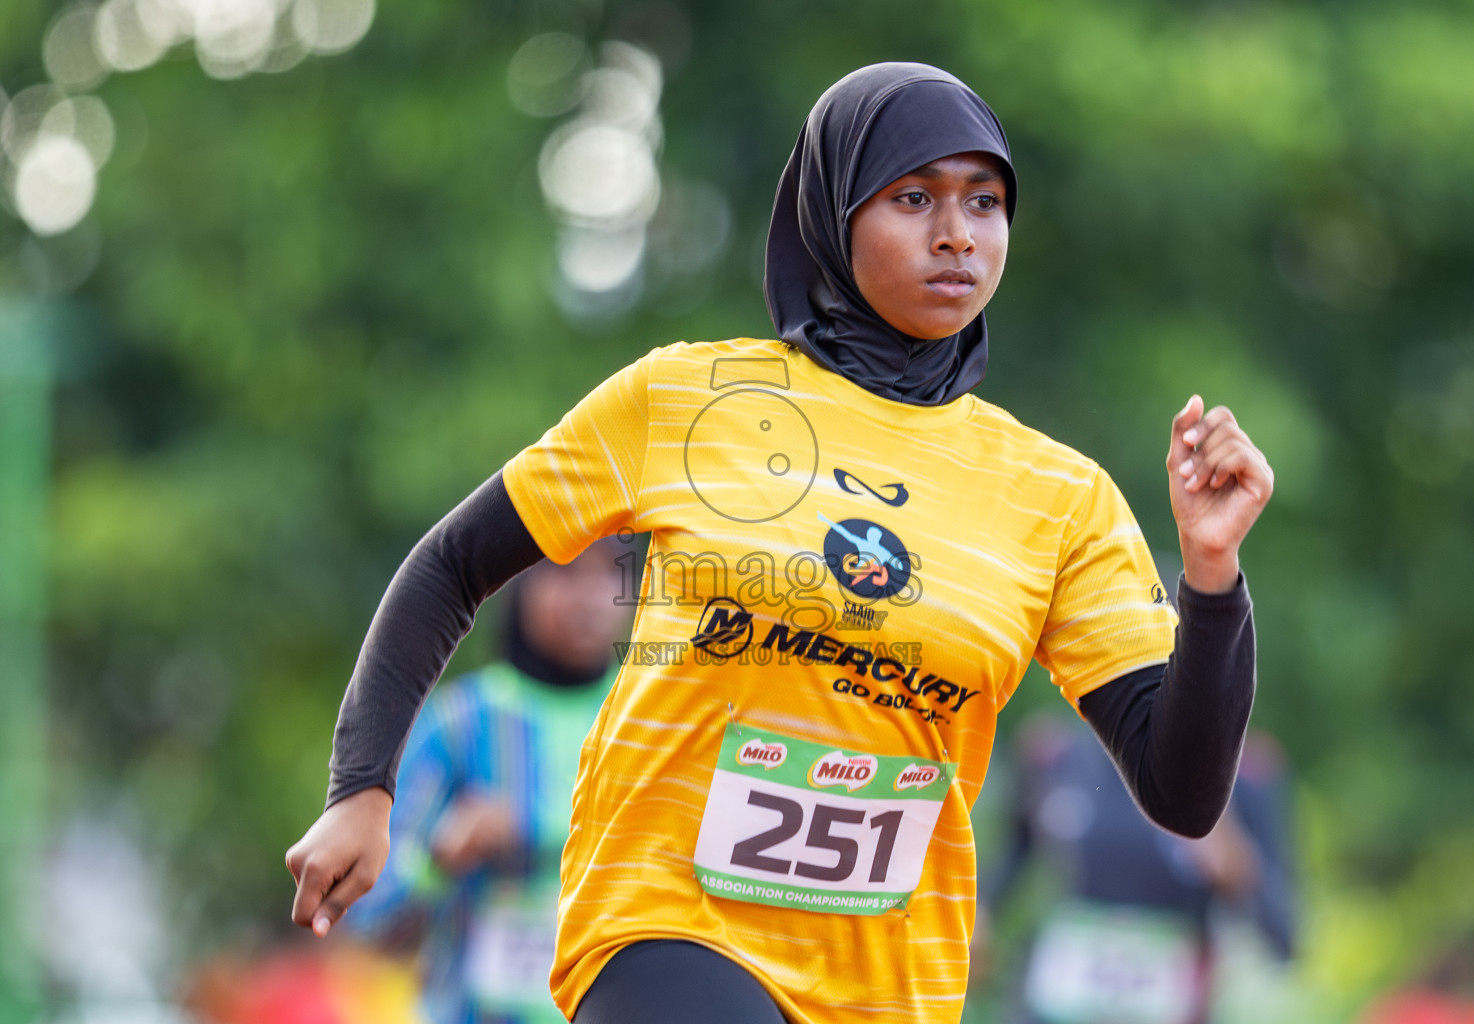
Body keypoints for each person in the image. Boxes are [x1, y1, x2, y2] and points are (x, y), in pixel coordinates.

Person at [285, 62, 1274, 1024]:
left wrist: (1213, 577)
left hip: (888, 977)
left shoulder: (1060, 498)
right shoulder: (687, 398)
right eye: (912, 198)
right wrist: (362, 788)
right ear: (833, 213)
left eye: (984, 203)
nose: (955, 236)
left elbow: (1181, 791)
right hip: (665, 917)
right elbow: (452, 564)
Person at [340, 539, 629, 1024]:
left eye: (608, 574)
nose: (590, 596)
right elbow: (369, 925)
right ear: (518, 582)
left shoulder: (650, 722)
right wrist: (440, 858)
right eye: (568, 573)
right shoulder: (458, 726)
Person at [986, 717, 1294, 1024]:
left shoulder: (1237, 773)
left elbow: (1284, 936)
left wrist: (1237, 868)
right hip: (1053, 1008)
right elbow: (1003, 873)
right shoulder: (1056, 758)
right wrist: (975, 919)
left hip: (1174, 1009)